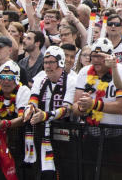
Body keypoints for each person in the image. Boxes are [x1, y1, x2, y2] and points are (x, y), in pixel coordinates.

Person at [22, 46, 74, 177]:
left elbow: (67, 109)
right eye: (45, 62)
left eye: (51, 62)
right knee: (42, 172)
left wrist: (45, 115)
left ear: (60, 62)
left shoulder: (72, 80)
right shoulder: (40, 78)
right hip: (41, 133)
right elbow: (33, 99)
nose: (48, 66)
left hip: (63, 134)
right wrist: (29, 110)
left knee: (63, 170)